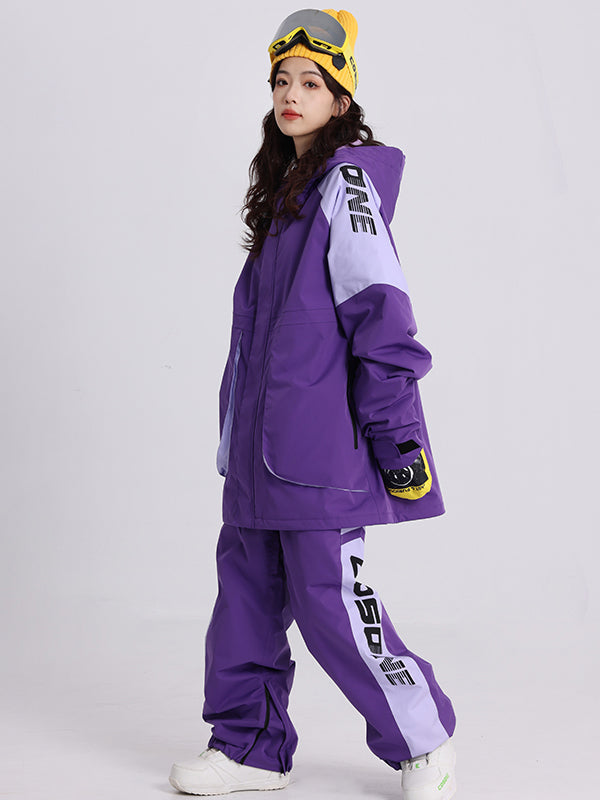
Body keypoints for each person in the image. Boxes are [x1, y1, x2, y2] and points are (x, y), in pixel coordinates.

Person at [170, 9, 456, 798]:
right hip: (258, 459)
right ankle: (250, 748)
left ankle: (424, 741)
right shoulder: (286, 200)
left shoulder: (345, 187)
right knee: (244, 607)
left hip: (316, 457)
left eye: (311, 84)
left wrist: (399, 440)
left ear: (340, 100)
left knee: (335, 608)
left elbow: (382, 319)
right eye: (281, 82)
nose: (291, 95)